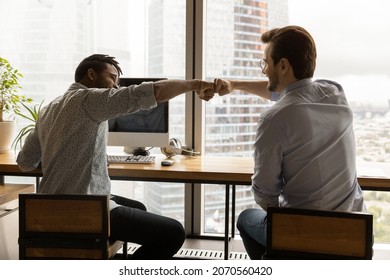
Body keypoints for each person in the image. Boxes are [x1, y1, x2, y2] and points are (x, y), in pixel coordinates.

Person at [16, 54, 215, 260]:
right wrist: (196, 84)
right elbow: (152, 92)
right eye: (112, 78)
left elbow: (25, 162)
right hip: (84, 209)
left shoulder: (49, 108)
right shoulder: (90, 99)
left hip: (48, 209)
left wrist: (60, 154)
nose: (115, 87)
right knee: (173, 233)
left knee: (139, 208)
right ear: (91, 74)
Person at [214, 25, 366, 259]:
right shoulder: (335, 93)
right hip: (353, 236)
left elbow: (265, 195)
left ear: (282, 65)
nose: (264, 70)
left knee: (246, 219)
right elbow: (290, 93)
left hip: (303, 236)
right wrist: (235, 85)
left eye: (266, 63)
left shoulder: (274, 118)